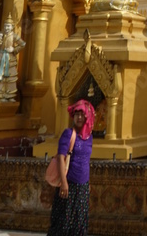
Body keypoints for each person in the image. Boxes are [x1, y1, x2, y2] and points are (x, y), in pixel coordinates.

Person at [47, 99, 95, 236]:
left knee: (79, 224)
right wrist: (64, 182)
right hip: (69, 185)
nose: (79, 117)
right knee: (63, 224)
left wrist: (88, 183)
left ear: (87, 116)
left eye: (82, 114)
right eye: (76, 114)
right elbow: (61, 158)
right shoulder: (68, 134)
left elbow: (86, 160)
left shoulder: (89, 137)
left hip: (83, 187)